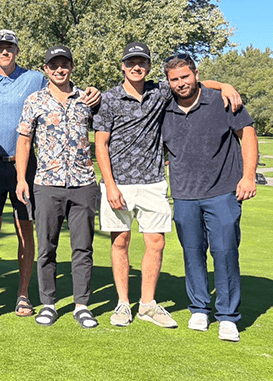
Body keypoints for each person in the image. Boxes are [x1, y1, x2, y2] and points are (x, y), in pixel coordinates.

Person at [94, 42, 242, 328]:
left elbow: (192, 82)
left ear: (148, 66)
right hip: (119, 184)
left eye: (142, 62)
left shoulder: (160, 91)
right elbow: (101, 144)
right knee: (120, 241)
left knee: (156, 242)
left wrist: (224, 85)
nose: (136, 67)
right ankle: (123, 303)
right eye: (130, 62)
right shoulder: (110, 98)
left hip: (153, 181)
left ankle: (147, 304)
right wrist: (110, 185)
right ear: (122, 66)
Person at [161, 53, 257, 342]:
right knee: (192, 254)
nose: (180, 83)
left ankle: (227, 316)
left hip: (224, 191)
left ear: (196, 74)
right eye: (174, 79)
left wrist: (249, 176)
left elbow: (248, 134)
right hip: (184, 194)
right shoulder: (162, 105)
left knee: (225, 252)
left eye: (185, 76)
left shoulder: (221, 100)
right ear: (168, 82)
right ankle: (199, 308)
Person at [16, 45, 99, 329]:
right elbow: (24, 141)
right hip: (47, 184)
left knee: (83, 248)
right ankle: (48, 303)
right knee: (46, 247)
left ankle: (81, 305)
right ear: (46, 70)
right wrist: (20, 179)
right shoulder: (34, 101)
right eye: (54, 65)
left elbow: (103, 135)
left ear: (71, 67)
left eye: (64, 64)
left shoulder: (87, 100)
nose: (59, 69)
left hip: (83, 183)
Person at [0, 29, 46, 315]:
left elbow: (61, 93)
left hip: (23, 165)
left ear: (17, 51)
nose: (5, 52)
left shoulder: (34, 79)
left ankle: (24, 293)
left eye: (9, 47)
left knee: (24, 228)